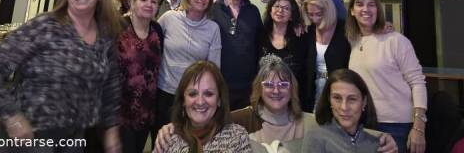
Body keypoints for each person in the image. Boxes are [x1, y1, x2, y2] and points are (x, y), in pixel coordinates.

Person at [0, 0, 121, 152]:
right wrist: (11, 117)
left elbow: (110, 87)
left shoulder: (104, 36)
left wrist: (111, 129)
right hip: (30, 138)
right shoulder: (43, 26)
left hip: (74, 137)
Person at [154, 57, 397, 153]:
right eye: (268, 85)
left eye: (283, 85)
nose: (276, 91)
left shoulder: (312, 122)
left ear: (293, 89)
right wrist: (171, 127)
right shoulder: (239, 120)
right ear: (259, 89)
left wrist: (382, 138)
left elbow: (345, 127)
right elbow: (203, 120)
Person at [347, 0, 427, 153]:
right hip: (364, 123)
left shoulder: (396, 40)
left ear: (378, 9)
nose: (366, 9)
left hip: (396, 125)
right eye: (360, 4)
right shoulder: (353, 41)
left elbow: (417, 82)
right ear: (352, 11)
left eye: (372, 5)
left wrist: (419, 127)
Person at [156, 0, 222, 132]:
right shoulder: (169, 18)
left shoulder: (213, 29)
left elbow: (214, 68)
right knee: (162, 142)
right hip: (165, 93)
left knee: (189, 142)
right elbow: (153, 48)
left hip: (194, 98)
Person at [153, 60, 251, 153]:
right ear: (183, 100)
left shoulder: (237, 137)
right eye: (192, 94)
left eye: (208, 94)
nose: (200, 102)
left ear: (219, 100)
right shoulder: (167, 137)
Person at [118, 0, 164, 153]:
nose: (148, 4)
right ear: (133, 3)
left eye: (154, 1)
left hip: (146, 109)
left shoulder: (157, 30)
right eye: (143, 0)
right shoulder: (119, 26)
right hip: (120, 110)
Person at [211, 0, 263, 110]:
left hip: (248, 84)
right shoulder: (213, 9)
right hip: (220, 82)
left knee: (245, 127)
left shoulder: (253, 11)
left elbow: (260, 43)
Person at [302, 69, 387, 153]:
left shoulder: (378, 144)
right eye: (337, 98)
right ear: (329, 100)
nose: (344, 107)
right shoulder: (316, 138)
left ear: (364, 102)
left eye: (352, 99)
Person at [301, 0, 350, 112]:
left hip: (340, 92)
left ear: (328, 10)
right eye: (310, 15)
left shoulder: (346, 30)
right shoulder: (309, 31)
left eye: (318, 14)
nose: (314, 19)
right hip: (313, 93)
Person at [259, 0, 307, 102]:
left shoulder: (300, 38)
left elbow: (305, 73)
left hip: (293, 98)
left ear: (291, 15)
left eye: (286, 8)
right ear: (270, 10)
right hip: (264, 97)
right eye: (277, 6)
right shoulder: (259, 36)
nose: (280, 11)